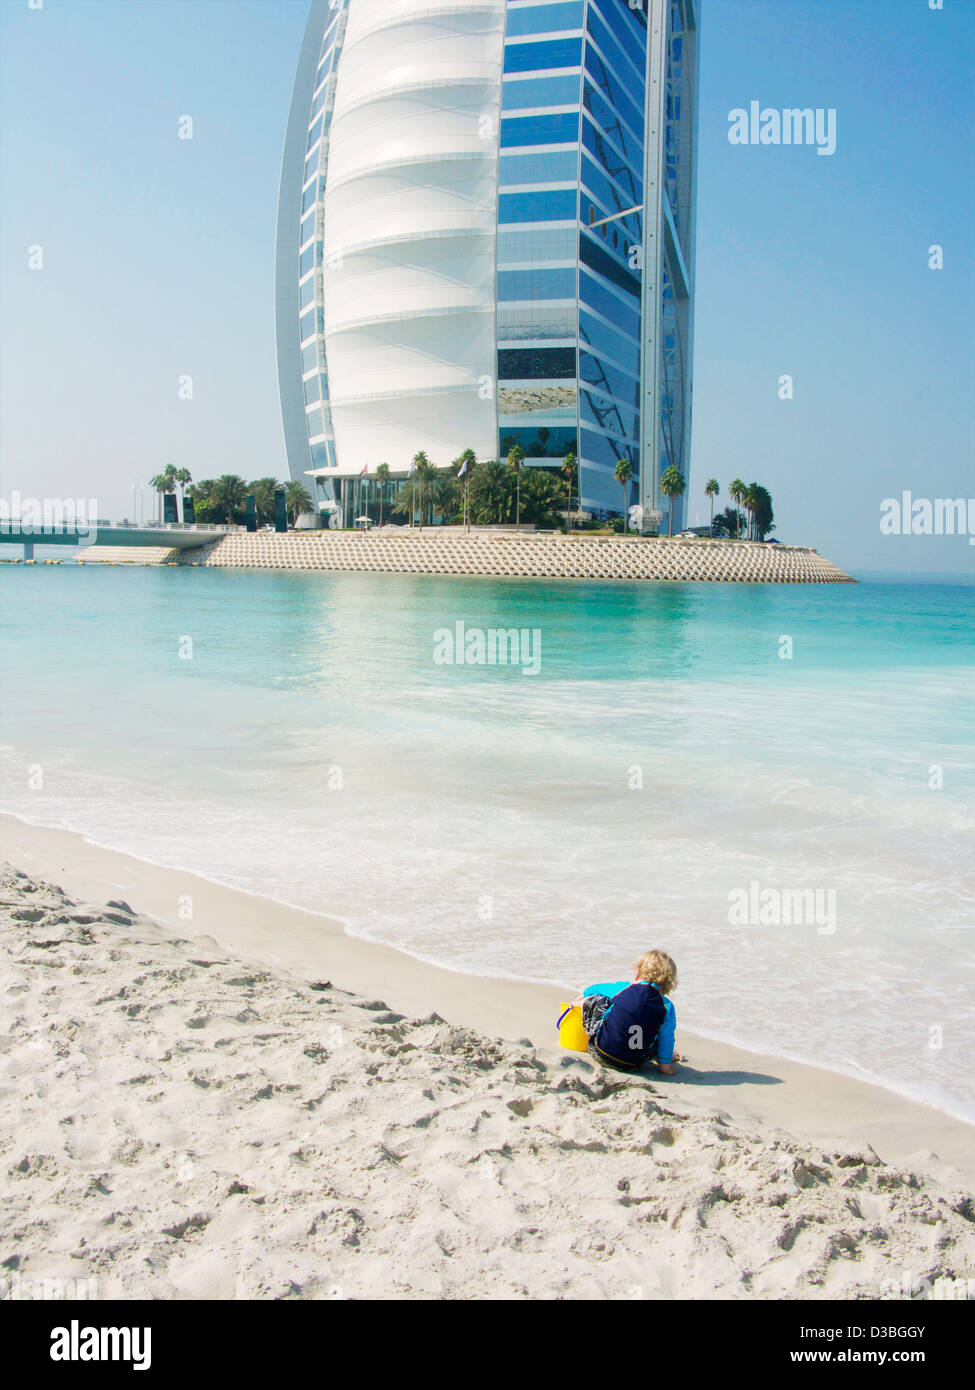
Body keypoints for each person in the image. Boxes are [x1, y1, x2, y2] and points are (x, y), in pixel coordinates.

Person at [572, 949, 679, 1074]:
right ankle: (664, 1058)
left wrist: (581, 998)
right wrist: (666, 1067)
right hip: (634, 1063)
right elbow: (666, 1038)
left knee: (597, 1000)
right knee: (659, 1033)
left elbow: (594, 989)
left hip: (600, 1053)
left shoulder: (625, 988)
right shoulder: (667, 1006)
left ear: (639, 972)